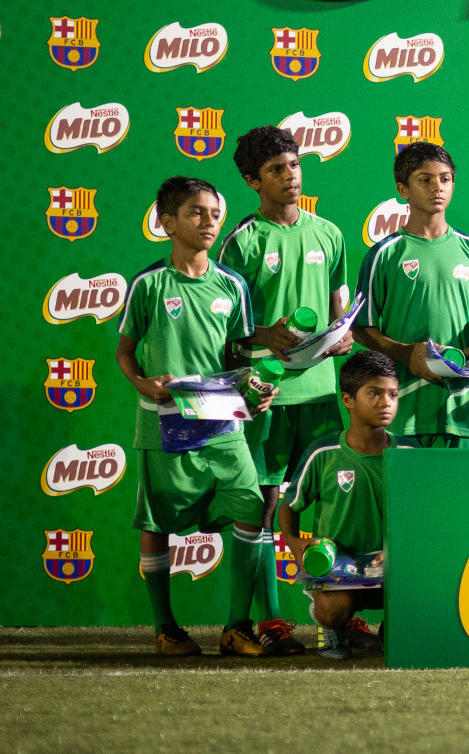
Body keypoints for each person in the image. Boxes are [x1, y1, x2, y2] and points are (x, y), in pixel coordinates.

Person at [115, 176, 269, 656]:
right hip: (164, 423)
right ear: (167, 223)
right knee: (157, 523)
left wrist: (255, 390)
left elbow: (238, 356)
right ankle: (166, 628)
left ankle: (236, 626)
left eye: (215, 213)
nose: (209, 221)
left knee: (250, 506)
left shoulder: (232, 285)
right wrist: (142, 383)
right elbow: (124, 352)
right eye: (196, 213)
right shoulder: (149, 284)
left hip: (222, 419)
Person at [220, 125, 351, 655]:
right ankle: (268, 618)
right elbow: (222, 330)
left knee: (325, 510)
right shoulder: (241, 241)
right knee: (266, 505)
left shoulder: (329, 233)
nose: (290, 176)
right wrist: (260, 337)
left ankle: (336, 612)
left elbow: (340, 305)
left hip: (323, 395)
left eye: (294, 165)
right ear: (253, 180)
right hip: (268, 396)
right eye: (276, 170)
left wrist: (341, 337)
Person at [355, 142, 469, 447]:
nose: (437, 187)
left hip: (458, 410)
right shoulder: (384, 253)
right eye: (425, 180)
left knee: (459, 492)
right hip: (403, 409)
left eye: (445, 179)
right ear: (403, 189)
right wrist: (406, 353)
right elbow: (360, 328)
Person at [280, 352, 415, 659]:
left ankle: (392, 630)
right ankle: (331, 628)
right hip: (341, 566)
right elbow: (289, 506)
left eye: (392, 394)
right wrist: (295, 543)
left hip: (393, 563)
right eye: (374, 393)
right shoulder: (323, 452)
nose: (386, 402)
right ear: (348, 399)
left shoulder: (409, 451)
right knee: (334, 609)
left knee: (419, 603)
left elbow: (425, 512)